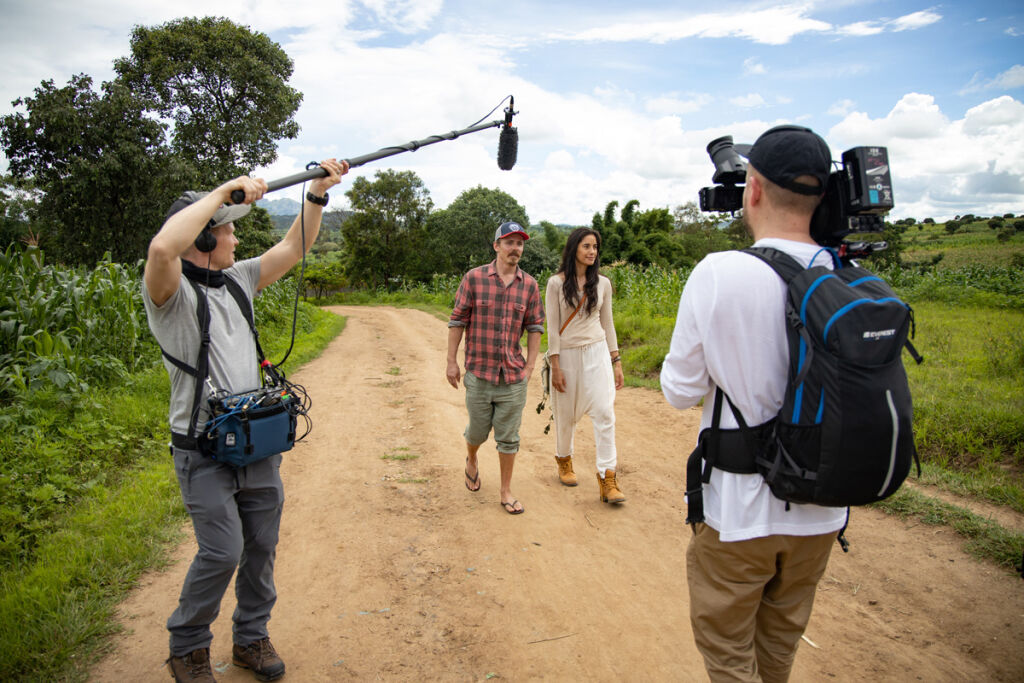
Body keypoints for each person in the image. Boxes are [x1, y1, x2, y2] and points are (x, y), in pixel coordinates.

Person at [143, 159, 349, 683]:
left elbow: (294, 248)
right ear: (205, 239)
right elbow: (163, 248)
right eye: (228, 230)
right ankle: (187, 646)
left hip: (254, 440)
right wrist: (219, 195)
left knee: (260, 545)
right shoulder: (170, 293)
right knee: (223, 549)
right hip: (202, 448)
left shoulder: (238, 280)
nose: (234, 238)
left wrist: (317, 194)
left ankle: (251, 639)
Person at [660, 125, 847, 682]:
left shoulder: (720, 273)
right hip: (822, 511)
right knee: (779, 647)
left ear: (754, 189)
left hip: (739, 513)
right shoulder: (846, 274)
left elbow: (678, 391)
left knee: (728, 653)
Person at [446, 220, 544, 515]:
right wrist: (451, 361)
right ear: (497, 246)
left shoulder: (529, 285)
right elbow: (457, 320)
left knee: (509, 437)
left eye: (520, 243)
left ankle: (505, 491)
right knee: (477, 432)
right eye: (510, 242)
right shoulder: (474, 278)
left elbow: (535, 326)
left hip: (513, 376)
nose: (516, 248)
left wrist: (529, 367)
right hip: (479, 373)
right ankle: (472, 459)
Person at [544, 227, 625, 503]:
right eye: (586, 246)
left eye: (595, 247)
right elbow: (552, 328)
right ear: (574, 249)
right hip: (566, 355)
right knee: (565, 415)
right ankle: (564, 459)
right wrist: (555, 365)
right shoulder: (556, 283)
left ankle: (608, 479)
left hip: (597, 353)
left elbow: (608, 324)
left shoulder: (603, 284)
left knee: (604, 413)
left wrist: (616, 361)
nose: (592, 252)